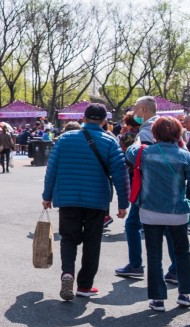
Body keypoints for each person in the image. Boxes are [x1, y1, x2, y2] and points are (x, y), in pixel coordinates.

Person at [127, 116, 190, 312]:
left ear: (155, 134)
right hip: (177, 212)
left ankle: (158, 299)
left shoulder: (144, 153)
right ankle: (184, 294)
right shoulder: (187, 156)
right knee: (182, 253)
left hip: (150, 211)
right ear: (178, 134)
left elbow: (129, 152)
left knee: (154, 255)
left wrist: (138, 140)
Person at [42, 103, 130, 301]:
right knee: (92, 242)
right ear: (104, 121)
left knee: (68, 238)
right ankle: (84, 285)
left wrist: (47, 196)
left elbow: (52, 169)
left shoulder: (64, 138)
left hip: (67, 197)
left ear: (84, 118)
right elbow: (120, 175)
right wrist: (123, 203)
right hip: (96, 199)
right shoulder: (110, 141)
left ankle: (67, 273)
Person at [116, 96, 177, 283]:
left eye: (136, 109)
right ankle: (175, 269)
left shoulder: (148, 131)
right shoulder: (165, 126)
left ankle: (136, 265)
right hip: (166, 186)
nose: (134, 113)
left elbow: (146, 159)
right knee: (166, 227)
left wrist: (132, 150)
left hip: (149, 187)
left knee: (135, 224)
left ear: (143, 109)